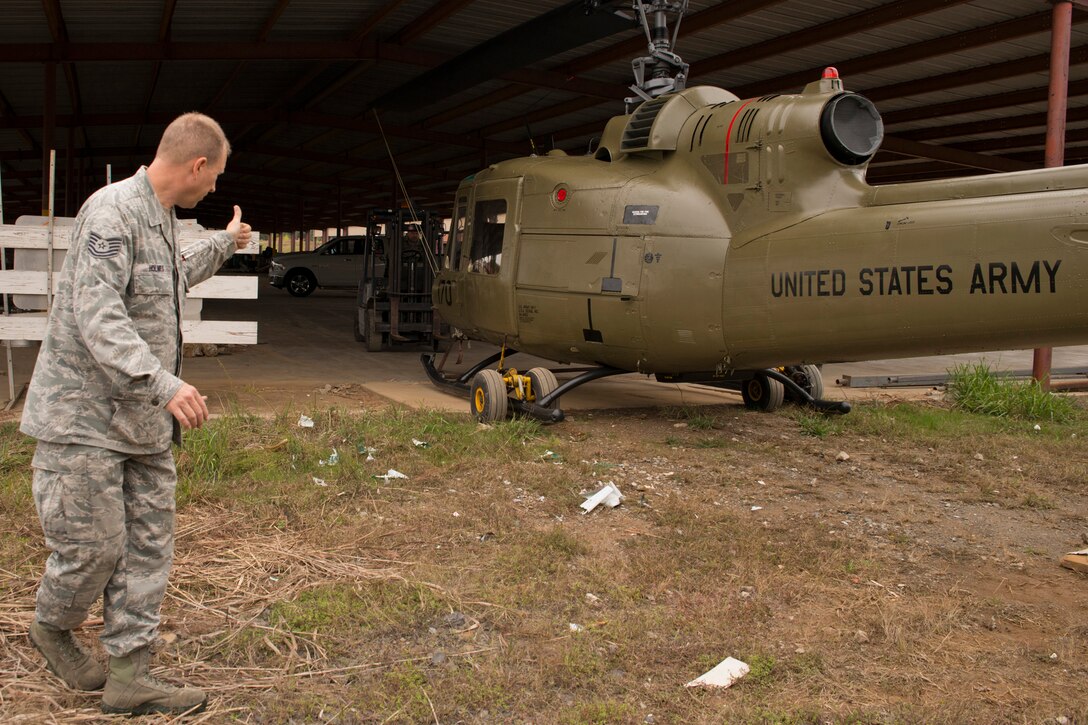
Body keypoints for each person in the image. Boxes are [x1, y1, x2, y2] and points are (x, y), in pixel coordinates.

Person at [20, 112, 252, 716]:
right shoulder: (112, 213)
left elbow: (168, 279)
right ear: (197, 166)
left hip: (142, 427)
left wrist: (226, 242)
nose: (214, 188)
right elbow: (98, 315)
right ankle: (52, 627)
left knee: (147, 550)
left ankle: (129, 674)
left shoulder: (159, 221)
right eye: (216, 176)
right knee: (93, 548)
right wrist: (163, 381)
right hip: (85, 421)